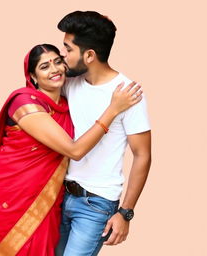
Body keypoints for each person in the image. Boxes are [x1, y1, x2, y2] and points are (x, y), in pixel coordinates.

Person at [0, 44, 142, 256]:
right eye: (44, 66)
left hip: (48, 198)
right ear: (33, 76)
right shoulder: (25, 103)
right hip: (11, 193)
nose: (54, 69)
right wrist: (113, 110)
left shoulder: (68, 103)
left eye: (58, 61)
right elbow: (74, 151)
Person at [55, 11, 152, 256]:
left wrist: (126, 212)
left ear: (89, 55)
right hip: (58, 195)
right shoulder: (69, 83)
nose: (62, 55)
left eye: (68, 49)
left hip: (95, 203)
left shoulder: (128, 93)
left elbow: (142, 155)